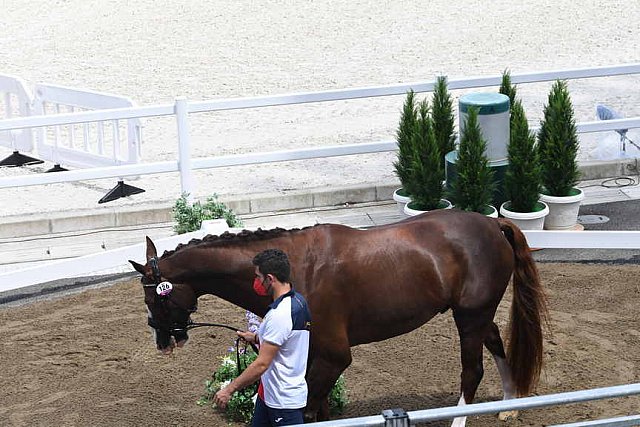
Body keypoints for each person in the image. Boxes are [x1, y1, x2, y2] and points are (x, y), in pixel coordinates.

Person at [214, 248, 312, 426]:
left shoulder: (280, 315)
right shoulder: (297, 301)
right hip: (268, 394)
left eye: (258, 277)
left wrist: (229, 389)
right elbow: (287, 340)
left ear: (270, 278)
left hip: (283, 403)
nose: (256, 281)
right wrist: (257, 338)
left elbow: (262, 364)